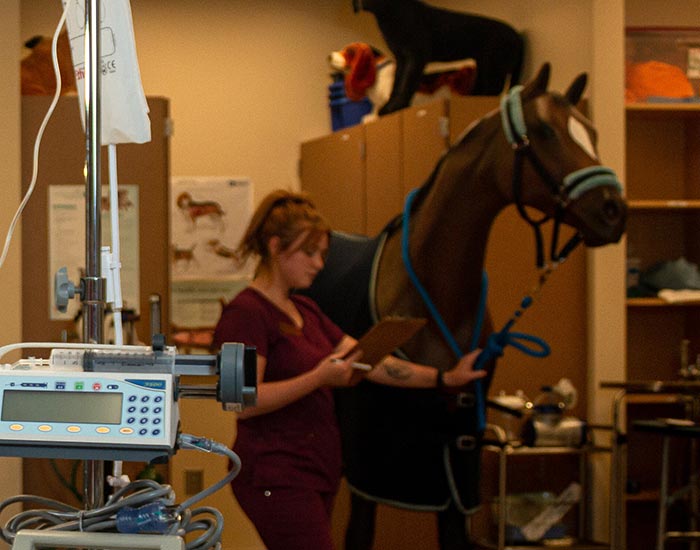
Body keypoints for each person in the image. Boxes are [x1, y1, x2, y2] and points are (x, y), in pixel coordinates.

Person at [211, 189, 485, 550]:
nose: (319, 264)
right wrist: (318, 378)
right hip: (276, 474)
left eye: (323, 254)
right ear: (276, 248)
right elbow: (244, 402)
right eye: (309, 253)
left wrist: (444, 378)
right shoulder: (246, 314)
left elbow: (368, 362)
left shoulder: (306, 311)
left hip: (317, 470)